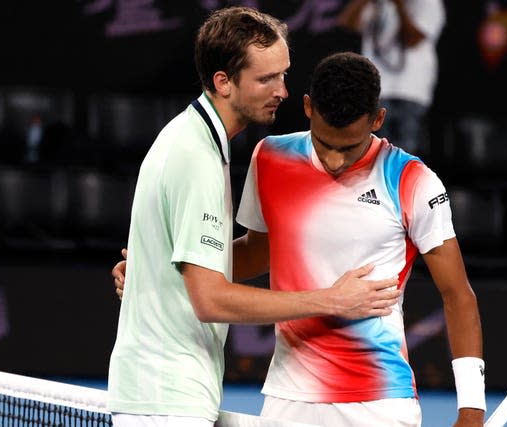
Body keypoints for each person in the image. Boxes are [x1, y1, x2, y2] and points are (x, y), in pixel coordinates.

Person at [114, 51, 485, 426]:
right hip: (286, 396)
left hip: (378, 401)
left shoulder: (413, 181)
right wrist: (159, 270)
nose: (336, 161)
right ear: (307, 107)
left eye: (349, 148)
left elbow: (457, 294)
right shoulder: (271, 157)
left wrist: (471, 410)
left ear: (378, 119)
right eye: (326, 144)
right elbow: (255, 255)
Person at [107, 8, 401, 427]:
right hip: (166, 400)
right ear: (223, 82)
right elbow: (210, 299)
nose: (282, 90)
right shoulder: (196, 158)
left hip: (165, 395)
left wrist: (153, 272)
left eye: (283, 74)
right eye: (266, 79)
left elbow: (225, 260)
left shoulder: (193, 139)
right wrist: (330, 300)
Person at [337, 0, 445, 155]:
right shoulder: (379, 4)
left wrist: (399, 5)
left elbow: (413, 39)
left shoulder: (428, 3)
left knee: (405, 156)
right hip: (376, 91)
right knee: (373, 157)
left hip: (411, 91)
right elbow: (347, 22)